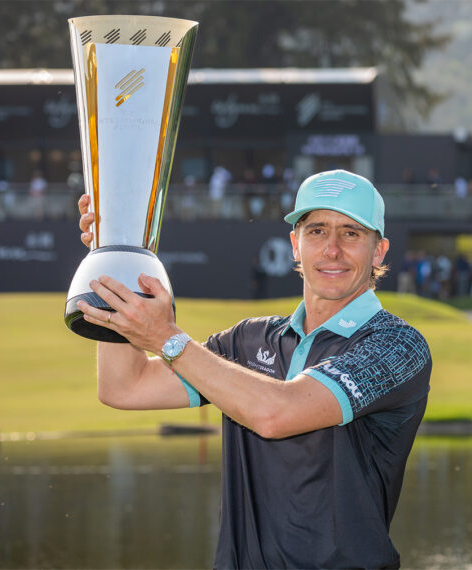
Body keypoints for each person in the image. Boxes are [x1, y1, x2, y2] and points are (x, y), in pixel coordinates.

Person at [75, 169, 432, 568]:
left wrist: (167, 338)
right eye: (316, 231)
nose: (332, 249)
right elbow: (125, 387)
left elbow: (276, 413)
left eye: (351, 233)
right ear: (295, 245)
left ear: (379, 251)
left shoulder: (397, 345)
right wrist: (113, 255)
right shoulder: (249, 340)